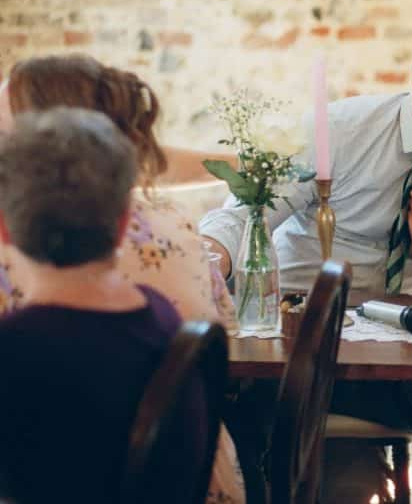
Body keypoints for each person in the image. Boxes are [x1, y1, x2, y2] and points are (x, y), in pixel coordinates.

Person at [201, 19, 412, 503]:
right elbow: (247, 215)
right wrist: (206, 263)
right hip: (299, 333)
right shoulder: (341, 130)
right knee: (246, 408)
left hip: (400, 345)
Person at [0, 55, 243, 503]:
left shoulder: (16, 337)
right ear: (120, 221)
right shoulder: (171, 234)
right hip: (192, 479)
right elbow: (225, 330)